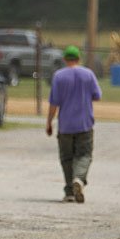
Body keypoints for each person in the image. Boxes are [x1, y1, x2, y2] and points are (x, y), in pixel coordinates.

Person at [45, 45, 102, 203]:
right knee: (84, 155)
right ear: (78, 59)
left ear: (65, 59)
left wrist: (49, 122)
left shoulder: (58, 76)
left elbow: (54, 103)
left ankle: (70, 191)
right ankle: (79, 178)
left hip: (65, 125)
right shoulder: (88, 74)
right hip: (84, 123)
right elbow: (97, 96)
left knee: (66, 158)